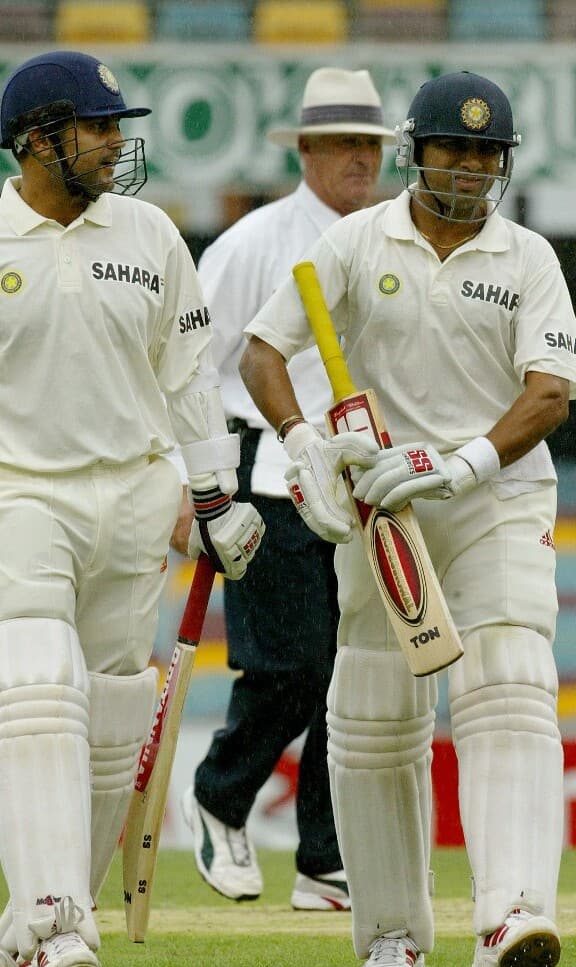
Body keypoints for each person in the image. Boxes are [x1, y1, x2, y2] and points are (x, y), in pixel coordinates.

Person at [238, 70, 576, 967]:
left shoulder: (528, 260)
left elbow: (549, 394)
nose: (469, 169)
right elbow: (263, 354)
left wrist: (460, 462)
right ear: (414, 151)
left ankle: (511, 912)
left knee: (509, 680)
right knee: (374, 716)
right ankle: (393, 933)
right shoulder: (355, 243)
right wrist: (304, 442)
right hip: (383, 509)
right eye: (452, 150)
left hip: (494, 498)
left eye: (486, 154)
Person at [0, 50, 263, 967]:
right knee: (36, 683)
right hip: (19, 491)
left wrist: (215, 497)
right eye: (99, 127)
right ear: (37, 140)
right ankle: (49, 926)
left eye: (119, 126)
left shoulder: (150, 235)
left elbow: (188, 376)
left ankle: (45, 901)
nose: (118, 143)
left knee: (113, 712)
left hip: (135, 495)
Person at [177, 67, 395, 910]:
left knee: (351, 673)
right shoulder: (255, 241)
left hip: (364, 477)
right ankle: (220, 794)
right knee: (292, 665)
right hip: (266, 470)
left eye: (370, 144)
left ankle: (323, 856)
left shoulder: (388, 242)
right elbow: (187, 363)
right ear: (303, 149)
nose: (358, 159)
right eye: (343, 142)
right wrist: (187, 483)